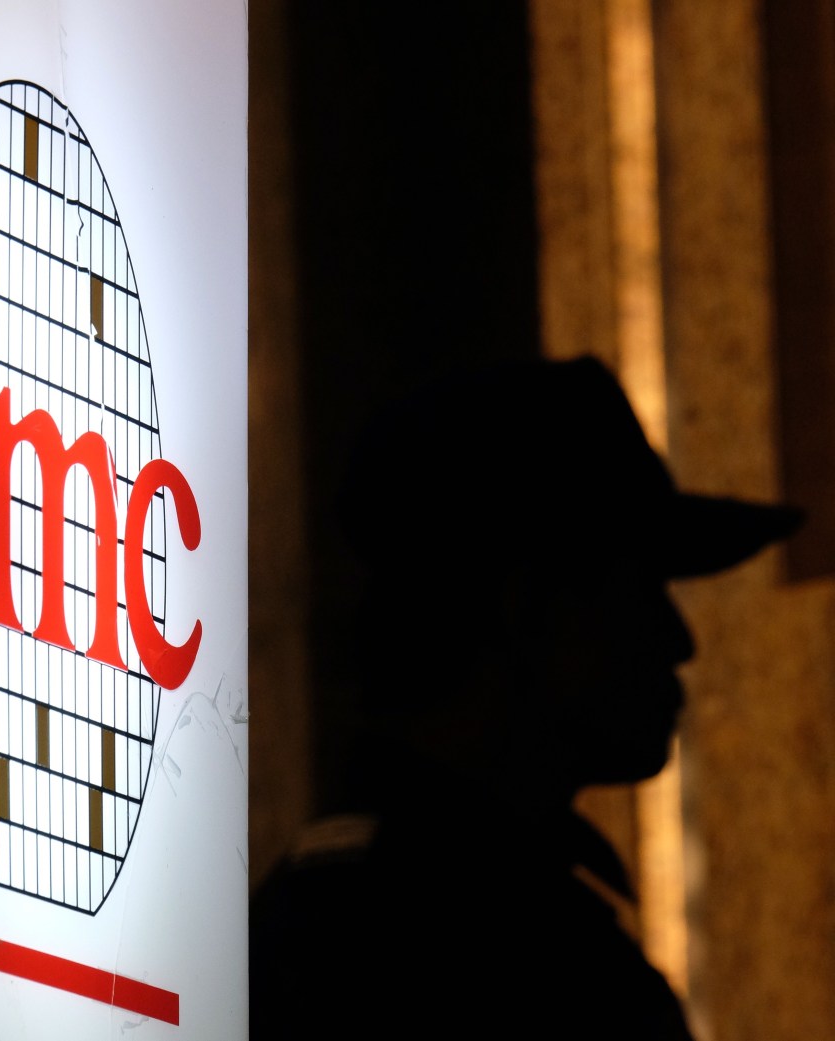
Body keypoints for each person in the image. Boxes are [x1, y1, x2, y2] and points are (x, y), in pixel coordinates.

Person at [248, 355, 803, 1039]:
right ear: (528, 606)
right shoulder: (511, 965)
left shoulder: (318, 921)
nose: (678, 639)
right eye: (640, 590)